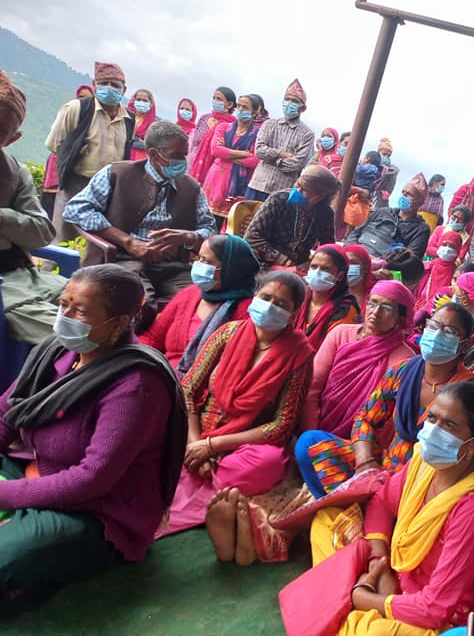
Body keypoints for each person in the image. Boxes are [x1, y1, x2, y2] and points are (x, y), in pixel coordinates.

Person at [0, 265, 186, 603]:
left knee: (7, 557)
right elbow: (7, 411)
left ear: (117, 323)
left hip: (96, 510)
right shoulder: (56, 350)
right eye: (64, 303)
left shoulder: (136, 384)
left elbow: (91, 480)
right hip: (35, 467)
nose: (64, 316)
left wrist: (6, 494)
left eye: (80, 310)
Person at [316, 380, 474, 635]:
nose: (433, 430)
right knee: (326, 521)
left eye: (449, 425)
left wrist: (367, 599)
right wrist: (379, 562)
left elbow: (435, 608)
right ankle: (348, 601)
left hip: (436, 621)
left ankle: (345, 601)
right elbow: (381, 502)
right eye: (432, 418)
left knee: (370, 630)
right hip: (394, 577)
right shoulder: (423, 463)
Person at [157, 271, 313, 539]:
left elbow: (281, 425)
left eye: (280, 304)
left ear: (294, 312)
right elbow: (188, 390)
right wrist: (194, 444)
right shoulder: (227, 334)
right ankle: (202, 483)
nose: (270, 306)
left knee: (270, 462)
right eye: (266, 297)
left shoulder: (299, 355)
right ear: (255, 296)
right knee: (157, 423)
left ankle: (200, 494)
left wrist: (212, 446)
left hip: (241, 446)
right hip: (196, 432)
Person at [296, 302, 474, 499]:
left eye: (449, 332)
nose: (437, 335)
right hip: (384, 463)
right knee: (308, 443)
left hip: (426, 479)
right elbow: (366, 418)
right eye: (433, 326)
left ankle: (361, 504)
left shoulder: (470, 390)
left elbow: (469, 452)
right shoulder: (404, 371)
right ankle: (351, 502)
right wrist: (365, 463)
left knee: (380, 500)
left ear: (465, 344)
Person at [62, 121, 216, 325]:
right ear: (153, 154)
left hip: (172, 265)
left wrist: (188, 237)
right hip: (122, 260)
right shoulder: (117, 174)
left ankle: (172, 344)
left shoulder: (191, 187)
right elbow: (76, 209)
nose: (182, 161)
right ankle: (132, 343)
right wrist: (127, 242)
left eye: (184, 155)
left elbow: (209, 229)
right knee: (140, 307)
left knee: (201, 303)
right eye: (176, 156)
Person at [298, 280, 417, 441]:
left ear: (401, 318)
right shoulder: (341, 333)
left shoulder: (405, 358)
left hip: (359, 441)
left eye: (387, 307)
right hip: (313, 427)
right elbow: (313, 386)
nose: (376, 312)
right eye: (373, 303)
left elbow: (387, 416)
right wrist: (311, 434)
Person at [0, 71, 65, 345]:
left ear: (13, 138)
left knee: (104, 299)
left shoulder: (14, 172)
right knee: (69, 335)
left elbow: (42, 232)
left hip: (23, 275)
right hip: (9, 292)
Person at [140, 234, 260, 374]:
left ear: (231, 269)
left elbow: (236, 367)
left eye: (207, 262)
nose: (199, 266)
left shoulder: (247, 312)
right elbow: (153, 338)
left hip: (203, 384)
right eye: (199, 259)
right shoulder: (189, 295)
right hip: (163, 373)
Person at [45, 61, 134, 241]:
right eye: (104, 83)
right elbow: (54, 143)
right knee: (64, 237)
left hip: (107, 191)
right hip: (76, 183)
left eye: (115, 85)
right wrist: (77, 153)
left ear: (124, 89)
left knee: (96, 241)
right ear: (94, 85)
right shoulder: (77, 109)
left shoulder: (129, 119)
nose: (109, 88)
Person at [243, 164, 338, 268]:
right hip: (264, 263)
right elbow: (252, 237)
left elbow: (328, 247)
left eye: (305, 190)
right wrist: (282, 260)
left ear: (319, 197)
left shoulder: (325, 213)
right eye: (297, 185)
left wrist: (311, 264)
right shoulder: (278, 200)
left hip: (298, 268)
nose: (297, 191)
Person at [245, 79, 314, 201]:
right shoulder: (270, 124)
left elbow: (297, 163)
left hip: (282, 191)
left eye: (295, 101)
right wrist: (282, 154)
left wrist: (272, 159)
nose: (289, 103)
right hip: (257, 185)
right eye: (287, 99)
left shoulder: (307, 134)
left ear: (302, 108)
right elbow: (259, 151)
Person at [200, 94, 265, 217]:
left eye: (245, 107)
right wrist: (242, 153)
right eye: (239, 106)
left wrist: (226, 153)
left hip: (238, 184)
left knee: (229, 222)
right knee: (206, 218)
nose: (240, 109)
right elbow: (215, 150)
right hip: (216, 181)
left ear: (255, 112)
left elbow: (255, 160)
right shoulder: (224, 127)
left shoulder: (258, 134)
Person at [346, 174, 431, 259]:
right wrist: (352, 251)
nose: (403, 196)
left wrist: (380, 262)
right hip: (354, 255)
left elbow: (411, 259)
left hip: (381, 264)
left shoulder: (420, 229)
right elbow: (355, 233)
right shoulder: (382, 212)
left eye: (409, 194)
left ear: (420, 203)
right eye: (403, 192)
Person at [295, 244, 361, 351]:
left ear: (340, 276)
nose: (317, 272)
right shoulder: (300, 296)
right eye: (314, 266)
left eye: (325, 269)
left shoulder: (344, 309)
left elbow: (334, 350)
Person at [41, 84, 93, 217]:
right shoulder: (69, 112)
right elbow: (54, 141)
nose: (82, 100)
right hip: (57, 162)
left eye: (87, 98)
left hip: (76, 171)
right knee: (49, 206)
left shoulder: (92, 119)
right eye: (80, 97)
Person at [187, 86, 237, 168]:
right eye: (214, 98)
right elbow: (194, 143)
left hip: (215, 167)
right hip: (194, 163)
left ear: (230, 104)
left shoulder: (232, 125)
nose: (215, 101)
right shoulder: (204, 118)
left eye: (219, 99)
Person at [415, 230, 462, 311]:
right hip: (419, 308)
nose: (447, 249)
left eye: (452, 247)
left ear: (457, 251)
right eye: (444, 245)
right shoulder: (427, 267)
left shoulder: (457, 275)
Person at [126, 88, 157, 161]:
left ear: (151, 104)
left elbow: (154, 146)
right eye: (138, 100)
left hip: (140, 159)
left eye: (145, 101)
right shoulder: (125, 117)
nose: (141, 102)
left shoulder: (154, 125)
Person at [345, 244, 376, 308]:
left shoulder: (375, 293)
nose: (348, 267)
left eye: (353, 263)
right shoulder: (333, 293)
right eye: (345, 263)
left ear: (366, 267)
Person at [375, 137, 400, 204]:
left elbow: (389, 190)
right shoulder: (370, 166)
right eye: (384, 154)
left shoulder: (392, 171)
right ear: (378, 153)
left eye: (389, 155)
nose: (386, 157)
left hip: (379, 203)